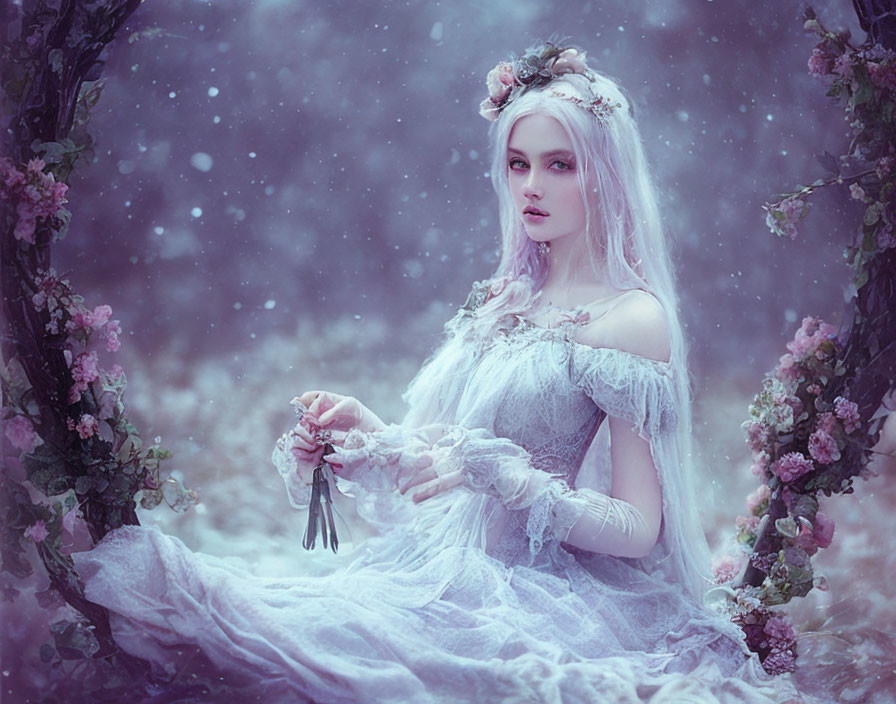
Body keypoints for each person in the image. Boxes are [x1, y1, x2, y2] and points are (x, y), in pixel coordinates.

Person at [73, 40, 813, 703]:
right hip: (439, 564)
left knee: (332, 658)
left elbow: (639, 529)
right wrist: (366, 438)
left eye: (560, 165)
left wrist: (513, 480)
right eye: (519, 164)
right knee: (244, 621)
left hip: (543, 590)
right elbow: (445, 467)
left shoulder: (628, 318)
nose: (531, 187)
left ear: (606, 175)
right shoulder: (505, 296)